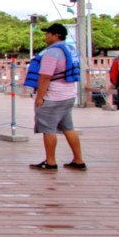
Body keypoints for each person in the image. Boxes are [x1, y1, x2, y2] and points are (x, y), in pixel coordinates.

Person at [29, 23, 86, 171]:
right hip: (68, 95)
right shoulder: (70, 49)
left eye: (48, 33)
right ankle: (79, 160)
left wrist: (40, 97)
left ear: (56, 35)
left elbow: (45, 76)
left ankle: (50, 162)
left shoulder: (52, 52)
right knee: (68, 128)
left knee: (49, 129)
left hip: (53, 96)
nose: (46, 36)